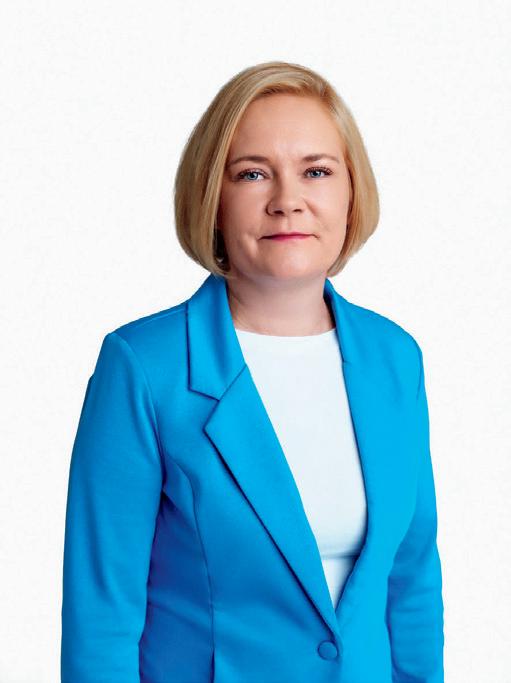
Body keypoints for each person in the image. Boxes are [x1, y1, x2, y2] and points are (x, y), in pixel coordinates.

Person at [61, 61, 444, 682]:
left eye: (316, 171)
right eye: (253, 173)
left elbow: (412, 580)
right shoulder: (144, 368)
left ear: (351, 193)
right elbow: (102, 615)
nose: (288, 200)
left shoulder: (395, 357)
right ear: (213, 199)